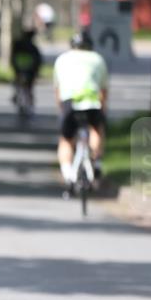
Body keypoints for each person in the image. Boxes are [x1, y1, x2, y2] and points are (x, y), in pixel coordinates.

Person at [54, 31, 108, 190]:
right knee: (97, 130)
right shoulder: (98, 59)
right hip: (92, 103)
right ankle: (97, 162)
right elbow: (103, 90)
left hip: (70, 103)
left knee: (66, 140)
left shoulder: (62, 59)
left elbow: (58, 91)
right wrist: (102, 109)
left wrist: (62, 110)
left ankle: (67, 173)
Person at [11, 28, 43, 108]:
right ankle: (29, 99)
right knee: (29, 86)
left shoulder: (17, 44)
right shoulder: (32, 47)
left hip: (19, 67)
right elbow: (38, 60)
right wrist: (37, 71)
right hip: (29, 69)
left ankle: (17, 94)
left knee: (19, 82)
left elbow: (13, 57)